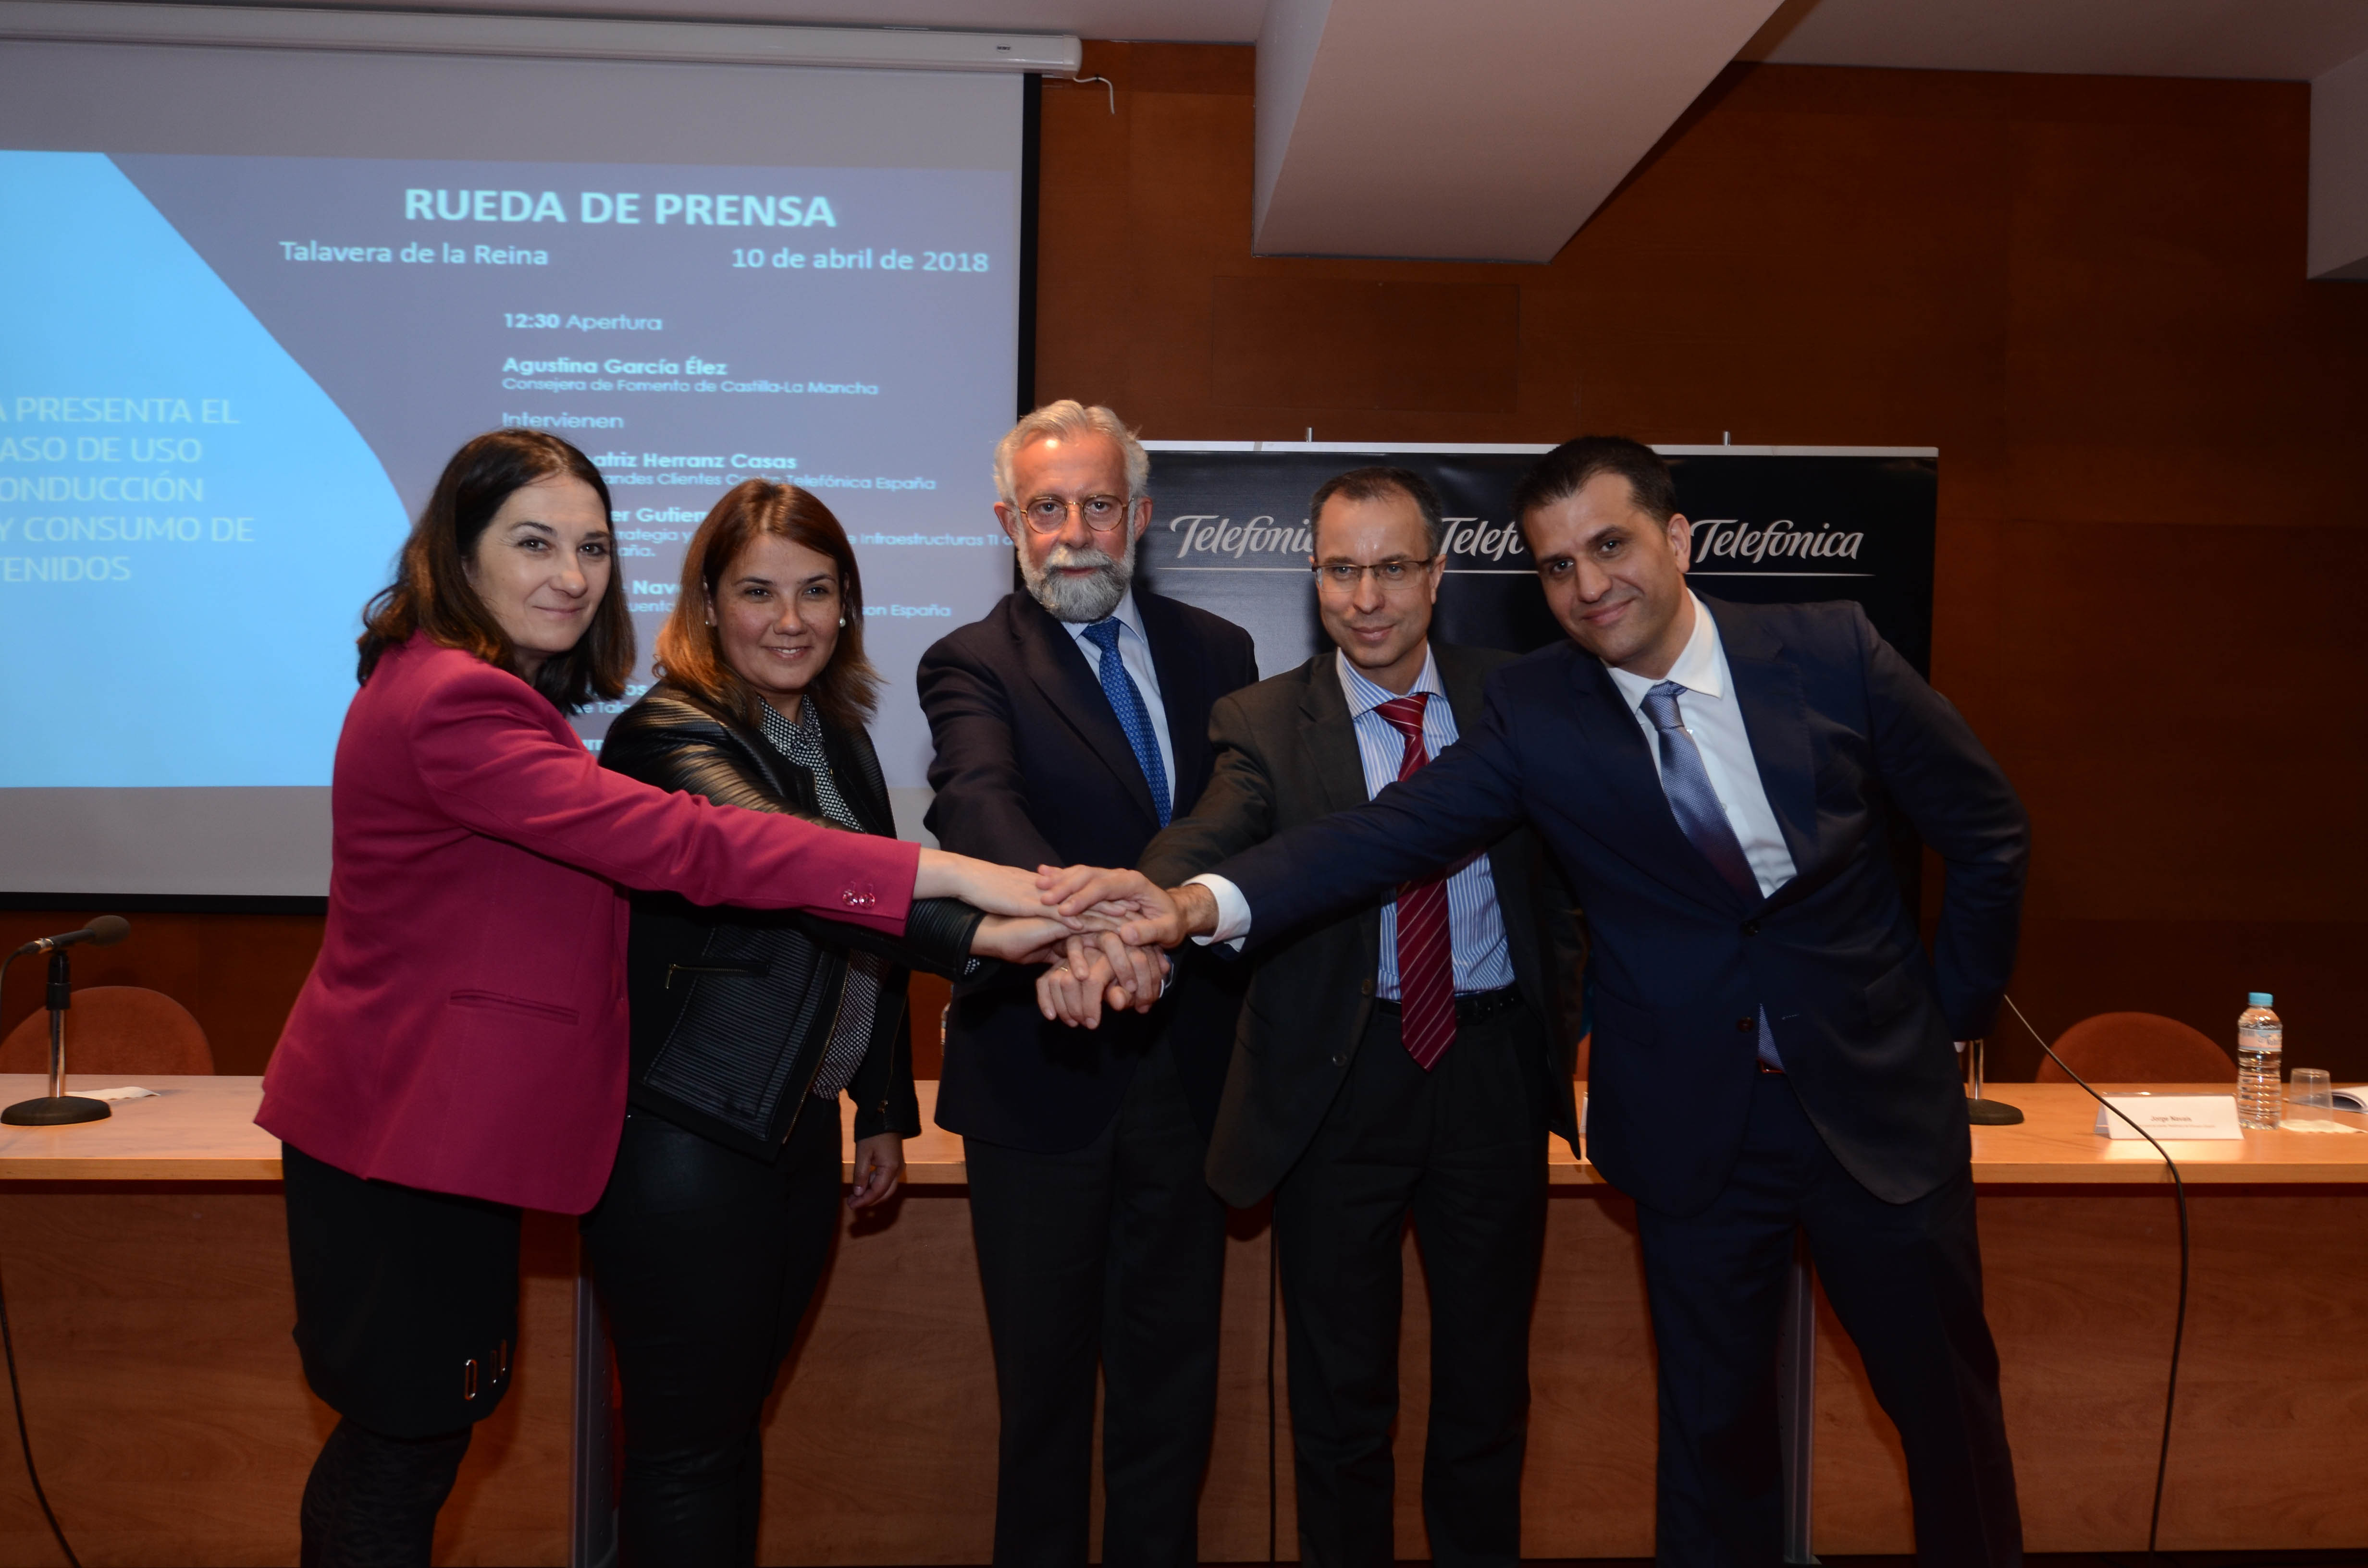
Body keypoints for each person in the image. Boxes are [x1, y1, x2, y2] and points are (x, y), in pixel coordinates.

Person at [1053, 436, 2031, 1568]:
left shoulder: (1828, 648)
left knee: (1947, 1421)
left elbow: (1986, 831)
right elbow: (1378, 838)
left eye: (1609, 546)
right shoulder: (1538, 709)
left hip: (1875, 1116)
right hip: (1696, 1134)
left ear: (1678, 539)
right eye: (1557, 566)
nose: (1588, 585)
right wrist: (1185, 908)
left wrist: (1938, 1021)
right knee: (1713, 1449)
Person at [258, 430, 1082, 1568]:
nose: (572, 574)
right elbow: (698, 845)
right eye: (534, 543)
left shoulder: (477, 693)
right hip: (401, 1138)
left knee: (414, 1442)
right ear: (460, 552)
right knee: (403, 1449)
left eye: (592, 547)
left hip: (427, 1139)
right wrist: (971, 889)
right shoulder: (459, 704)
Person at [1129, 466, 1586, 1568]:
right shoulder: (1261, 720)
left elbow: (1574, 888)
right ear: (1314, 578)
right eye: (1340, 570)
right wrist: (1138, 904)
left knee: (1486, 1390)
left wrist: (1580, 1039)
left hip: (1489, 1073)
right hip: (1339, 1085)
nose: (1365, 597)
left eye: (1391, 569)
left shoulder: (1519, 697)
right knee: (1342, 1403)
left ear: (1435, 578)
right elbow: (1212, 834)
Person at [582, 479, 1016, 1565]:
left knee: (732, 1431)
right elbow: (813, 879)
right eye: (760, 593)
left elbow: (861, 944)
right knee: (687, 1449)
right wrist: (999, 930)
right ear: (708, 605)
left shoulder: (837, 733)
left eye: (816, 591)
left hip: (789, 1134)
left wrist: (875, 1108)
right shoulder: (665, 735)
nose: (791, 620)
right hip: (685, 1138)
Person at [914, 400, 1259, 1568]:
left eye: (1097, 506)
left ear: (1140, 517)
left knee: (1173, 1400)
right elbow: (979, 804)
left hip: (1190, 1076)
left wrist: (1153, 925)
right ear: (1010, 522)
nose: (1074, 533)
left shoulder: (1222, 654)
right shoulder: (968, 660)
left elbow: (1233, 825)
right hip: (1040, 1080)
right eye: (1047, 508)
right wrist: (1080, 939)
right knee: (1044, 1406)